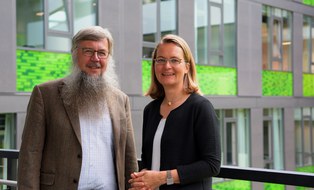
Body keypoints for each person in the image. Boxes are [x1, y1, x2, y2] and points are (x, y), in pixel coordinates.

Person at [17, 26, 138, 190]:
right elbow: (30, 154)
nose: (95, 58)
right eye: (88, 51)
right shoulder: (45, 95)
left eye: (102, 53)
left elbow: (129, 156)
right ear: (75, 54)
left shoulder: (121, 99)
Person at [129, 34, 221, 190]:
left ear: (187, 67)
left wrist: (161, 178)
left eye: (174, 60)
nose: (167, 66)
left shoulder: (201, 107)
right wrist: (143, 177)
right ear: (154, 66)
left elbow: (211, 165)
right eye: (161, 60)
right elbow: (147, 159)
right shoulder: (150, 110)